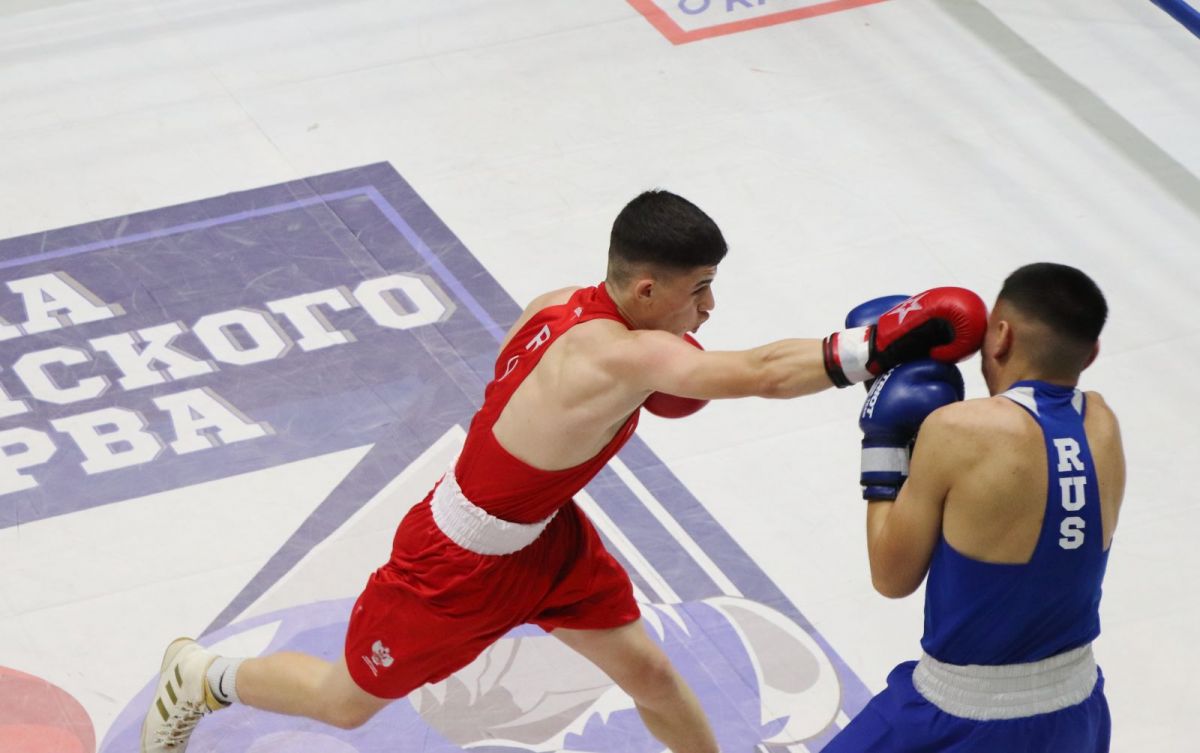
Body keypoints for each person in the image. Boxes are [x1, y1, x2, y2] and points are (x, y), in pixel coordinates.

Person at [141, 190, 985, 753]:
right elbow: (761, 373)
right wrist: (877, 345)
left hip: (543, 537)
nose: (709, 308)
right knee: (345, 701)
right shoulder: (620, 357)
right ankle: (203, 676)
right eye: (699, 289)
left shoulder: (559, 304)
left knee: (651, 672)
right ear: (646, 289)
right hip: (454, 564)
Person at [826, 262, 1122, 752]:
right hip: (1077, 712)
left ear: (1000, 336)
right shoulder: (1104, 422)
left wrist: (886, 441)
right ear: (1091, 354)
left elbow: (891, 577)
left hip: (962, 719)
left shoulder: (957, 430)